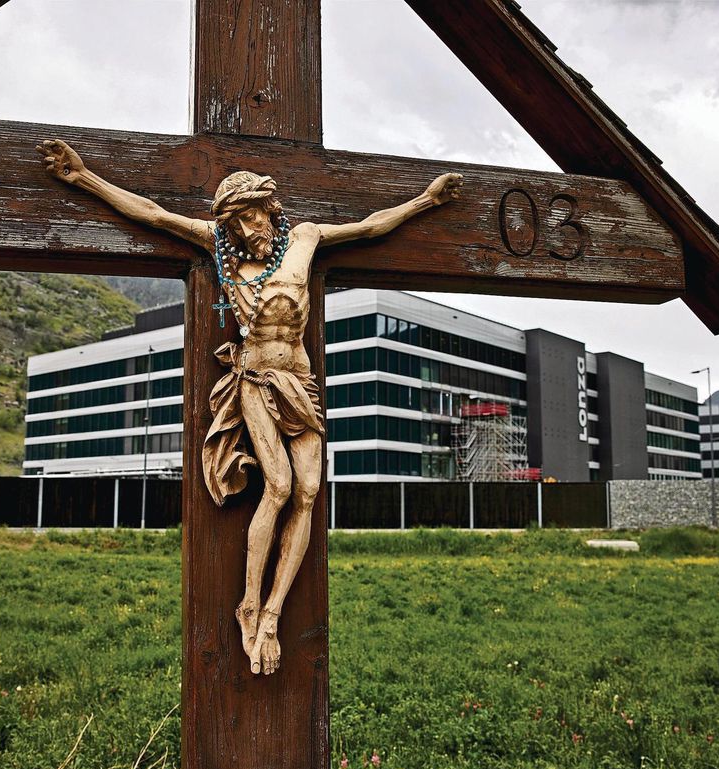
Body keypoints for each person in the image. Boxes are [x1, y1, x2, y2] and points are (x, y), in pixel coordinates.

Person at [37, 139, 462, 675]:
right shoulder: (220, 247)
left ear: (270, 210)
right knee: (279, 485)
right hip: (256, 379)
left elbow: (372, 227)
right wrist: (83, 179)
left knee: (308, 491)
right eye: (233, 224)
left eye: (249, 219)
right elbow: (153, 214)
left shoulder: (304, 240)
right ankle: (247, 603)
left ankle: (272, 614)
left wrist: (427, 200)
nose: (243, 233)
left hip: (300, 382)